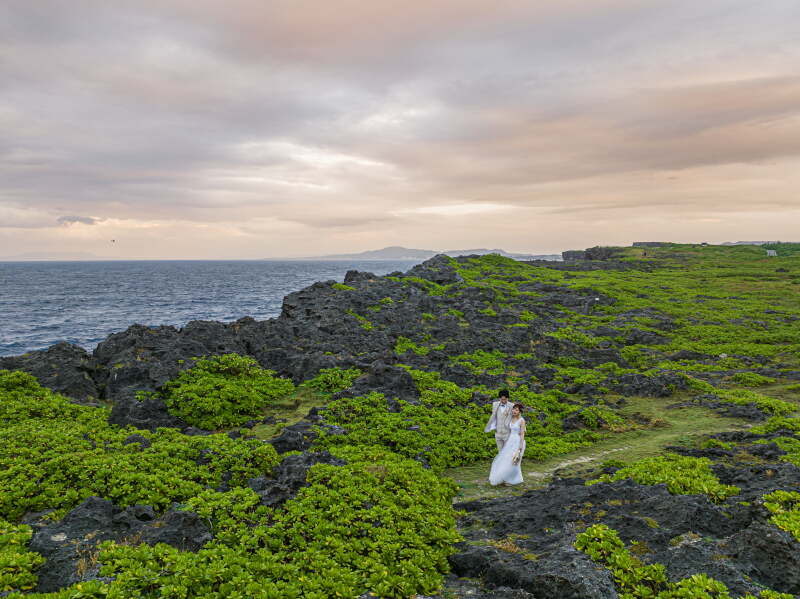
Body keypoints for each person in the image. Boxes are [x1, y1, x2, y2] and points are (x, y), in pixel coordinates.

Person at [489, 403, 526, 486]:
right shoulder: (511, 418)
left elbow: (522, 434)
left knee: (514, 460)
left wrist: (520, 446)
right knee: (506, 459)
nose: (514, 411)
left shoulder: (522, 420)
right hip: (510, 441)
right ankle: (505, 477)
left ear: (520, 412)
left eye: (516, 410)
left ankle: (512, 480)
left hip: (518, 441)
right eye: (514, 409)